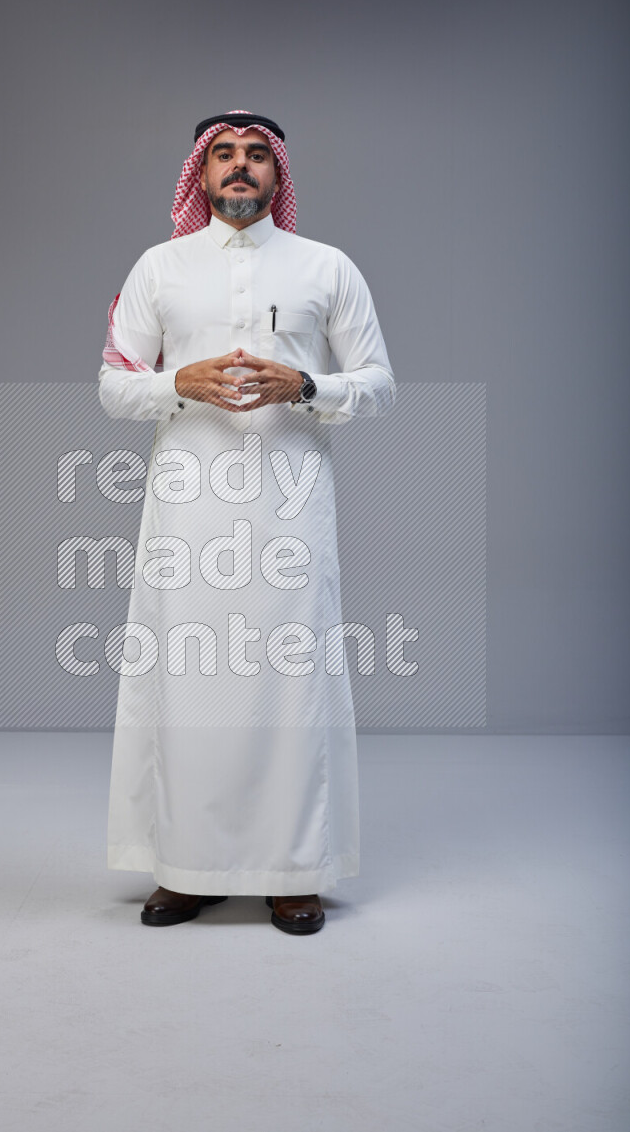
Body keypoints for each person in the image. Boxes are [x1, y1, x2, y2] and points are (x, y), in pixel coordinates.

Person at [97, 110, 396, 935]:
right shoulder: (160, 268)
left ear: (278, 174)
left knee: (288, 682)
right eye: (223, 154)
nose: (239, 167)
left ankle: (293, 870)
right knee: (186, 683)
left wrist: (305, 385)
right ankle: (185, 869)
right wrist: (175, 382)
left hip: (289, 510)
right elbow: (114, 386)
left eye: (256, 155)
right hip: (187, 513)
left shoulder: (325, 267)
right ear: (199, 173)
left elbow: (379, 382)